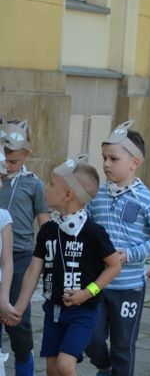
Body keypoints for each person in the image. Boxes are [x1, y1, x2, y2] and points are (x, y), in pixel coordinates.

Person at [6, 156, 121, 376]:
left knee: (65, 366)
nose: (45, 186)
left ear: (68, 195)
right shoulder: (48, 230)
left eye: (50, 183)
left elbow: (114, 266)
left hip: (82, 313)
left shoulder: (93, 232)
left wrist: (88, 292)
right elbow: (33, 270)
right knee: (51, 370)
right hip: (53, 312)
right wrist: (19, 307)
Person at [85, 121, 150, 376]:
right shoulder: (97, 195)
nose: (106, 164)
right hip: (98, 284)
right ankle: (104, 365)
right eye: (104, 158)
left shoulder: (145, 197)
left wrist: (130, 254)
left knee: (123, 346)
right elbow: (86, 228)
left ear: (134, 162)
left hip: (128, 286)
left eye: (113, 158)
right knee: (92, 336)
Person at [0, 118, 49, 375]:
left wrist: (48, 258)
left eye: (14, 161)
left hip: (20, 258)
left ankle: (24, 362)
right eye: (3, 159)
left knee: (17, 321)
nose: (7, 167)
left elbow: (45, 224)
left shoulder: (33, 184)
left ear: (27, 154)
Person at [0, 146, 14, 324]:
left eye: (1, 178)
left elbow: (7, 261)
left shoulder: (3, 217)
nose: (1, 185)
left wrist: (3, 299)